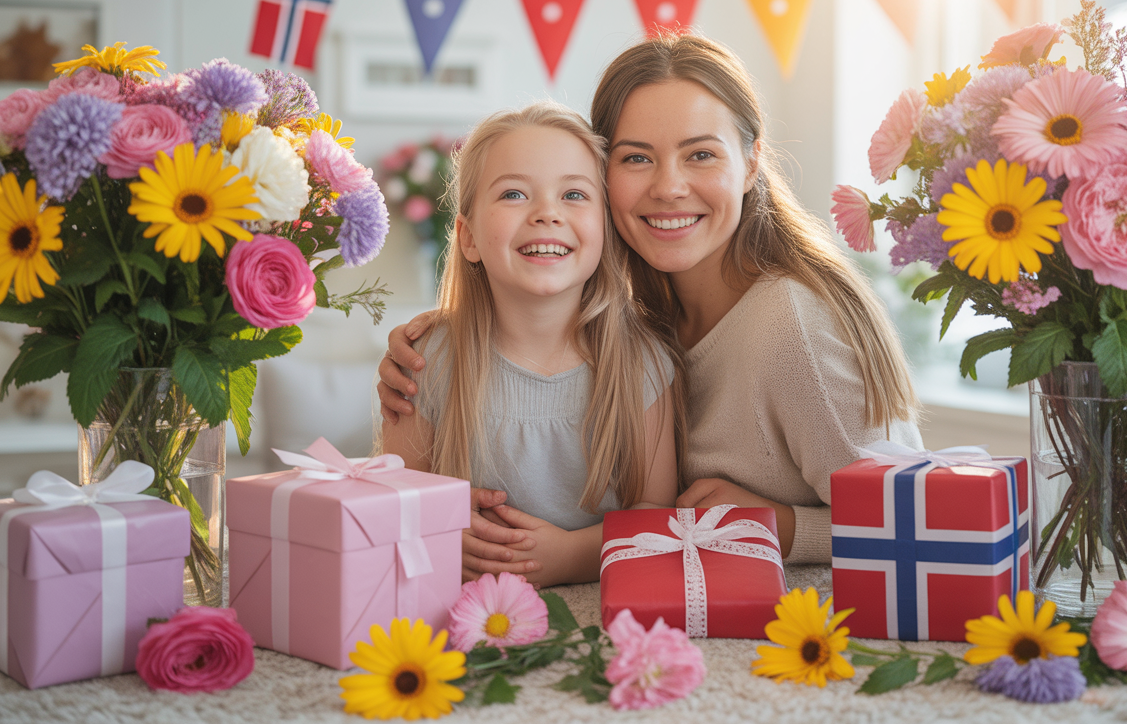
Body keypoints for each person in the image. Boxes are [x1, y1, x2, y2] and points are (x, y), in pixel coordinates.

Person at [380, 34, 922, 574]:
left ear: (752, 163)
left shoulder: (793, 327)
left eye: (701, 154)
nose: (668, 187)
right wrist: (446, 335)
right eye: (637, 157)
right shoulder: (651, 304)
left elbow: (915, 525)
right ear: (607, 180)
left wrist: (781, 525)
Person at [379, 101, 678, 587]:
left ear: (606, 229)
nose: (546, 214)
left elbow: (656, 515)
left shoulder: (641, 364)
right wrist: (435, 532)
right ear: (468, 237)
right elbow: (394, 505)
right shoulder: (426, 361)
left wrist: (573, 556)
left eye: (575, 194)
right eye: (514, 193)